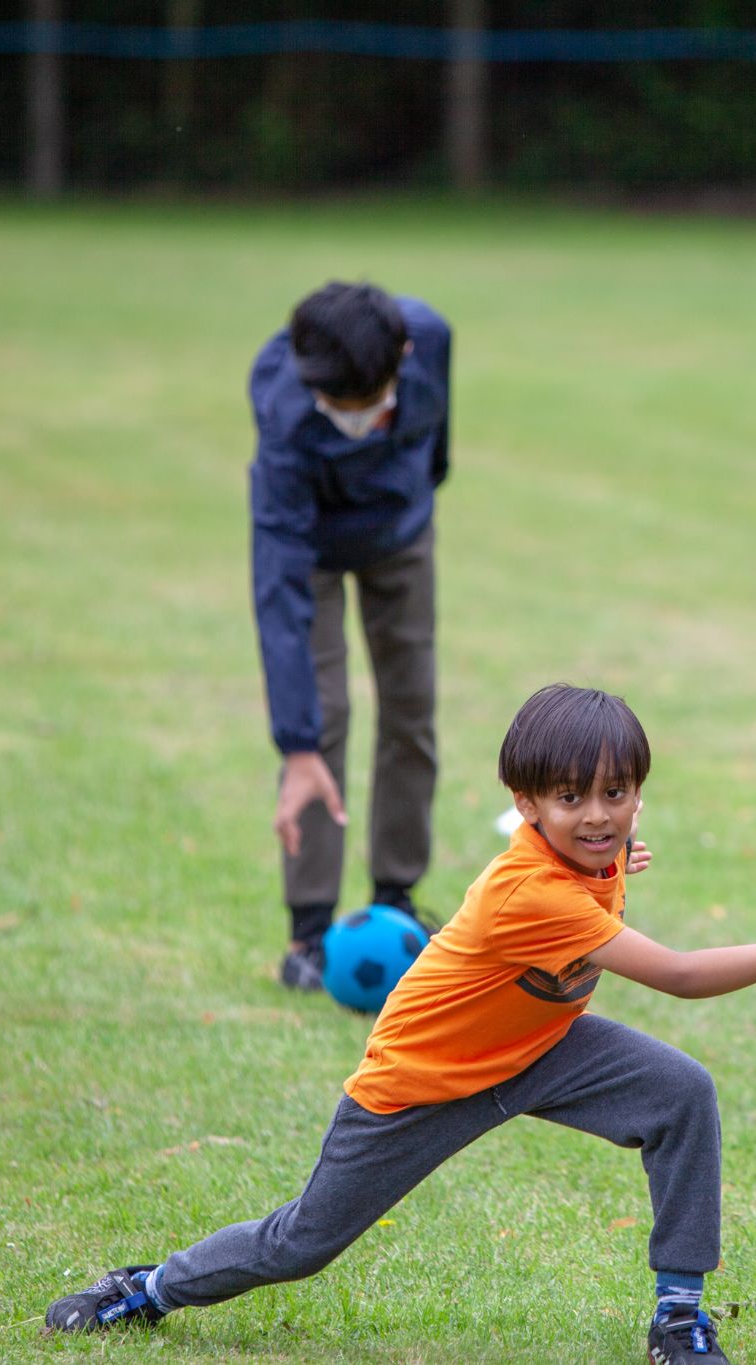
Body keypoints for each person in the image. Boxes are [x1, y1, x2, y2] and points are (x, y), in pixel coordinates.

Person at [43, 684, 756, 1363]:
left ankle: (679, 1320)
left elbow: (608, 842)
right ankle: (144, 1289)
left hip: (539, 1047)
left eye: (616, 793)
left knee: (681, 1093)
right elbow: (680, 977)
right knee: (302, 1242)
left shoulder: (598, 842)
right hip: (423, 1080)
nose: (599, 815)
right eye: (570, 797)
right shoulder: (531, 894)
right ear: (525, 804)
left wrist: (619, 849)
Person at [250, 281, 453, 989]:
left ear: (402, 357)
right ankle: (310, 931)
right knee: (324, 713)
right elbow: (277, 588)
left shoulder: (429, 338)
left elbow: (437, 447)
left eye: (359, 405)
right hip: (310, 549)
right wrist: (296, 743)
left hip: (401, 529)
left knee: (411, 706)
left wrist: (414, 498)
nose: (346, 418)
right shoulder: (286, 418)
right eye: (333, 408)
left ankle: (395, 897)